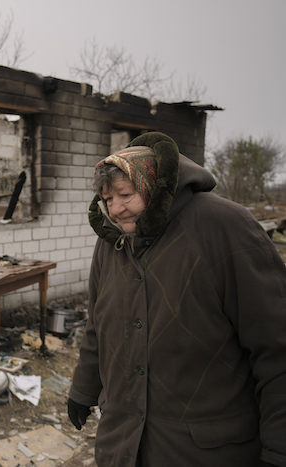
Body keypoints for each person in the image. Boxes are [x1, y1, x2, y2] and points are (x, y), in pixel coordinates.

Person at [67, 132, 286, 467]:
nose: (115, 209)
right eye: (107, 199)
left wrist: (278, 447)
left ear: (152, 186)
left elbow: (276, 346)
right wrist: (84, 389)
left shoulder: (223, 226)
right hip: (123, 445)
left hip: (204, 451)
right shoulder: (112, 241)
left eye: (125, 195)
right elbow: (98, 325)